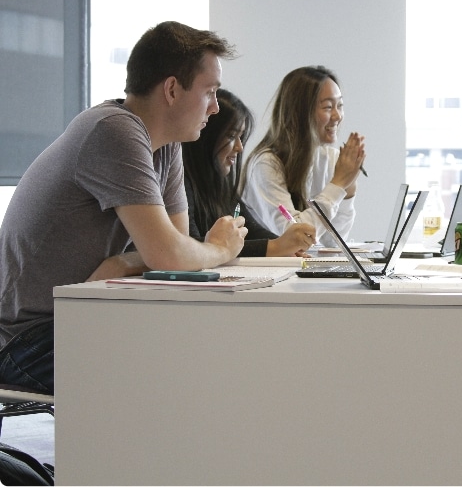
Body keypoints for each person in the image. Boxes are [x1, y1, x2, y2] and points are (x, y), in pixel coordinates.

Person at [0, 21, 248, 395]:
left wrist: (124, 263)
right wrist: (220, 248)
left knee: (205, 352)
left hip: (79, 315)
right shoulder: (113, 130)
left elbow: (177, 254)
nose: (215, 107)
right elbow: (175, 256)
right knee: (180, 375)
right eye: (210, 92)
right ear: (171, 89)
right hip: (28, 340)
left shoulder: (166, 146)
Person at [182, 88, 315, 257]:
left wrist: (288, 247)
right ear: (206, 137)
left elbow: (253, 231)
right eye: (231, 136)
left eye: (241, 137)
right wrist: (274, 247)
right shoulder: (182, 184)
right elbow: (189, 246)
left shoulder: (223, 187)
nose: (240, 147)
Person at [242, 66, 366, 247]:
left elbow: (333, 243)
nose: (337, 116)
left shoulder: (329, 157)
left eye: (340, 105)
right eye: (328, 107)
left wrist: (348, 192)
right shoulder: (266, 164)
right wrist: (337, 185)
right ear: (299, 112)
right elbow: (294, 235)